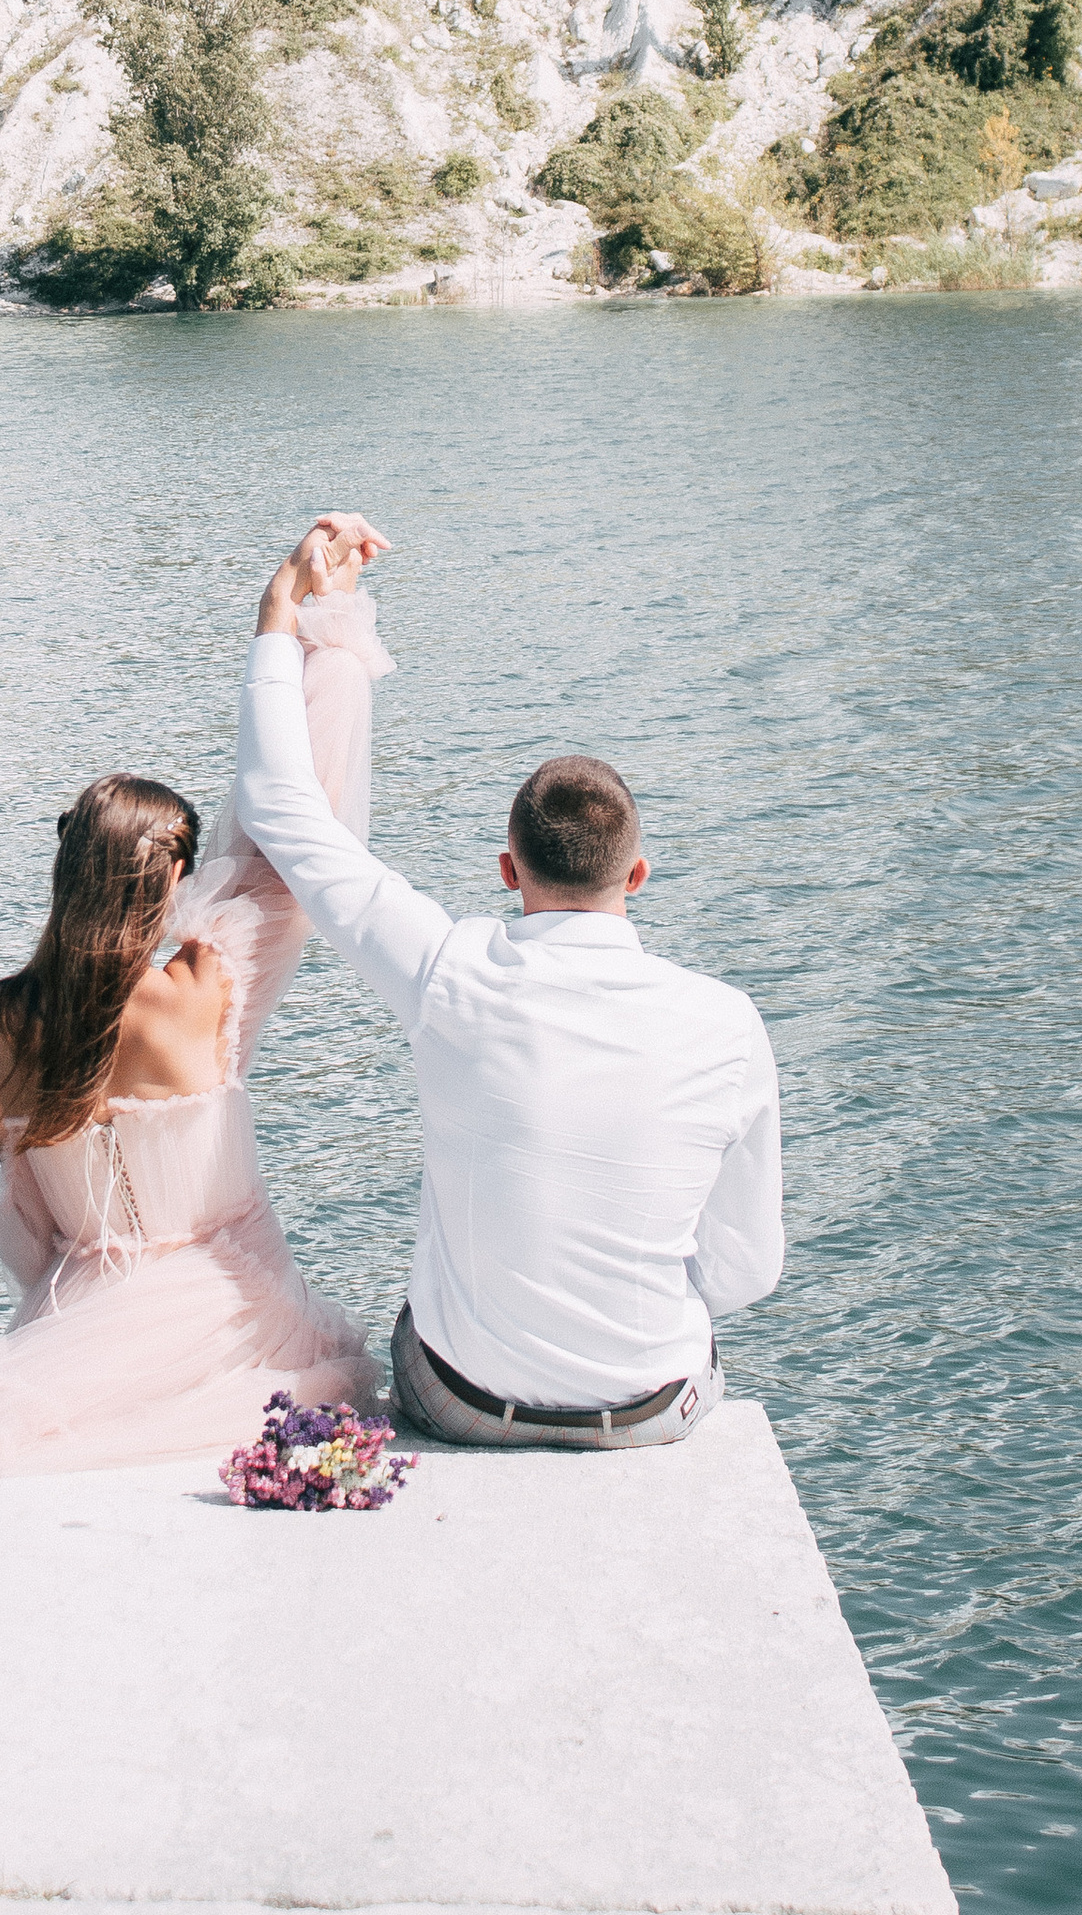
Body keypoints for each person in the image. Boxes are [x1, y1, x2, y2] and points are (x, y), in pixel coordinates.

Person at [0, 582, 391, 1849]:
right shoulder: (202, 988)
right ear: (166, 881)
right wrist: (305, 638)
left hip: (77, 1312)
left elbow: (29, 1218)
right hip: (228, 1311)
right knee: (338, 1398)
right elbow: (284, 841)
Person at [232, 512, 782, 1451]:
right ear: (637, 876)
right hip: (649, 1409)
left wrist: (281, 615)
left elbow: (284, 810)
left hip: (465, 1405)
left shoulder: (449, 971)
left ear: (506, 870)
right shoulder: (727, 1024)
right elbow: (745, 1272)